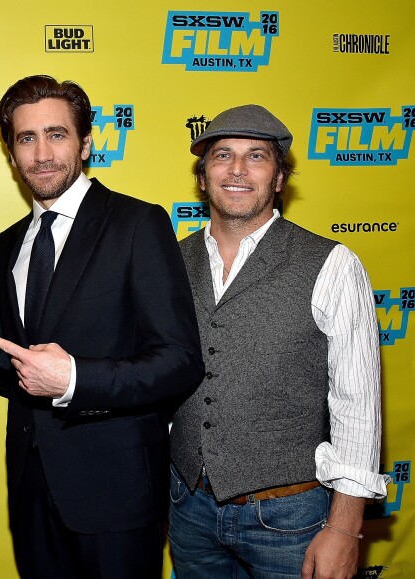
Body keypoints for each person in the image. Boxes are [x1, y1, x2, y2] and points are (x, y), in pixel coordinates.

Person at [0, 74, 204, 578]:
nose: (42, 153)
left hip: (117, 494)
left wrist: (75, 381)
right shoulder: (5, 244)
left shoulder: (137, 223)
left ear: (86, 142)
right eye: (26, 138)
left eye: (56, 134)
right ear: (12, 153)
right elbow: (12, 361)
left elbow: (179, 360)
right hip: (29, 489)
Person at [168, 104, 389, 579]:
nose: (238, 170)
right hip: (187, 508)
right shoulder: (170, 259)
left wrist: (346, 529)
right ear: (203, 178)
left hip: (290, 519)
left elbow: (358, 404)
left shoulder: (333, 264)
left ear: (279, 178)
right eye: (222, 155)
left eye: (257, 156)